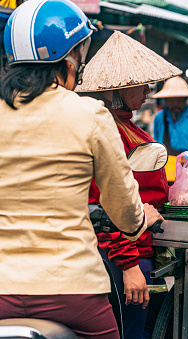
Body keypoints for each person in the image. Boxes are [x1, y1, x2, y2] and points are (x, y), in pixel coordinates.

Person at [0, 2, 162, 338]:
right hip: (71, 288)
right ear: (71, 56)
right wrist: (141, 218)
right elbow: (126, 214)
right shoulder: (89, 114)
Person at [76, 31, 181, 338]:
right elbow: (104, 205)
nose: (149, 89)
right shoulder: (107, 131)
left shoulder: (128, 125)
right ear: (119, 89)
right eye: (142, 83)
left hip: (142, 246)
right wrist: (128, 264)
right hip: (124, 254)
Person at [152, 76, 188, 156]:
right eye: (171, 100)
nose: (175, 104)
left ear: (185, 99)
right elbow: (155, 143)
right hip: (164, 164)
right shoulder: (159, 117)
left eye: (179, 100)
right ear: (165, 100)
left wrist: (186, 157)